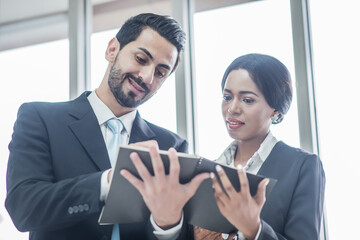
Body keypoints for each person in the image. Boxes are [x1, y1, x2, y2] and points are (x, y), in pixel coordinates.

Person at [5, 13, 209, 240]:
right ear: (112, 50)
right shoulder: (41, 118)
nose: (147, 77)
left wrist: (166, 224)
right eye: (141, 59)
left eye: (160, 72)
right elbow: (23, 207)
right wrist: (108, 182)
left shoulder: (172, 146)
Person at [124, 53, 325, 240]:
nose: (232, 108)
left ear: (276, 109)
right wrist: (168, 221)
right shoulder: (205, 170)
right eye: (227, 97)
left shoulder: (301, 166)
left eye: (247, 100)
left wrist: (254, 229)